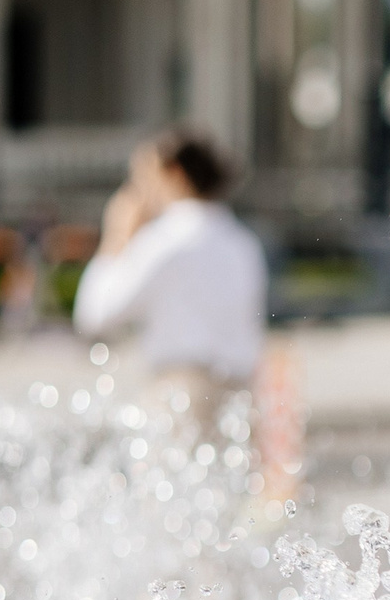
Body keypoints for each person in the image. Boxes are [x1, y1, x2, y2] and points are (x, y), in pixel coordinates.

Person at [74, 128, 268, 426]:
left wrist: (116, 237)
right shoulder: (243, 243)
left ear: (174, 173)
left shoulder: (164, 240)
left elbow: (96, 314)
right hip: (239, 394)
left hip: (180, 395)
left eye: (143, 178)